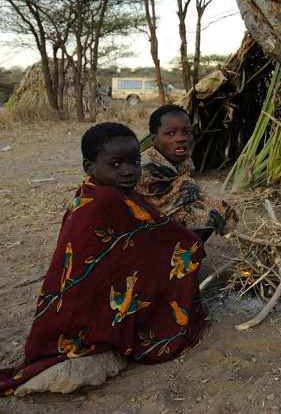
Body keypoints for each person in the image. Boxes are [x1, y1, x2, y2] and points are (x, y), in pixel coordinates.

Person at [1, 123, 208, 397]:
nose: (129, 170)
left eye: (135, 162)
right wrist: (192, 242)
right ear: (90, 166)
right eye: (116, 164)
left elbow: (146, 235)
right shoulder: (106, 200)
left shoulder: (94, 191)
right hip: (81, 311)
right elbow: (158, 235)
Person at [137, 105, 239, 241]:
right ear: (153, 139)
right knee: (204, 211)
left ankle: (190, 252)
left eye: (187, 132)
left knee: (219, 209)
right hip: (144, 226)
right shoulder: (141, 168)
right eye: (170, 133)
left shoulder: (184, 162)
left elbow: (188, 192)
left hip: (172, 217)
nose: (181, 138)